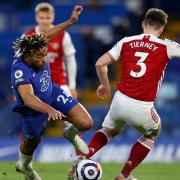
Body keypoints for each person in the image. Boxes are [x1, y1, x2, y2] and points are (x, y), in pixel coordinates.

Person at [69, 8, 180, 180]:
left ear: (143, 24)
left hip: (119, 100)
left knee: (108, 130)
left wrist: (105, 86)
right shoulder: (167, 46)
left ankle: (84, 157)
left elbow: (100, 64)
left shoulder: (126, 41)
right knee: (153, 131)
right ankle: (124, 175)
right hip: (142, 105)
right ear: (162, 29)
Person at [11, 6, 93, 180]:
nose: (44, 60)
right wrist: (49, 110)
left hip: (53, 93)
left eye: (45, 55)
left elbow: (49, 34)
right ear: (28, 54)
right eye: (40, 56)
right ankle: (25, 167)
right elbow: (28, 98)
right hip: (32, 108)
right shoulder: (20, 70)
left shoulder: (36, 44)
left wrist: (71, 22)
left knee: (86, 123)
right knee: (32, 141)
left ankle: (69, 133)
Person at [25, 3, 78, 98]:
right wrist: (17, 88)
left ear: (53, 17)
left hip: (59, 83)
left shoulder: (63, 35)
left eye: (47, 18)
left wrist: (72, 87)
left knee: (70, 111)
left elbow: (71, 61)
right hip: (34, 86)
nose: (44, 21)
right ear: (36, 18)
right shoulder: (27, 37)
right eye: (42, 18)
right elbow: (19, 63)